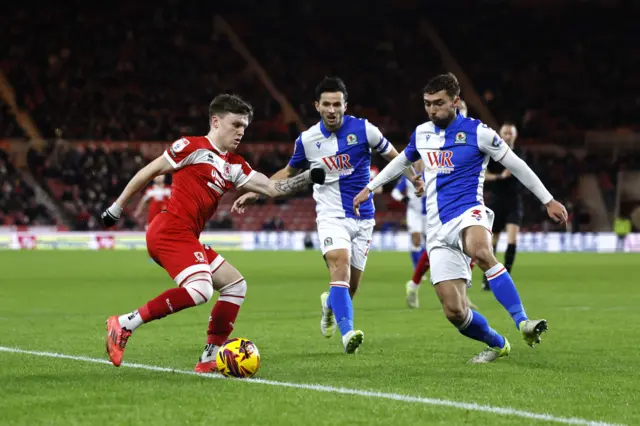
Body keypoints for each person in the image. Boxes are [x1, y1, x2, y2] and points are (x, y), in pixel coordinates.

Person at [101, 94, 326, 371]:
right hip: (169, 230)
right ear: (216, 121)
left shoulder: (234, 165)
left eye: (244, 126)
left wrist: (308, 176)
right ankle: (124, 323)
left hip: (187, 237)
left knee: (235, 285)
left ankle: (210, 356)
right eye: (236, 124)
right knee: (201, 289)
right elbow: (149, 170)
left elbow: (270, 188)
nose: (241, 131)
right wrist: (117, 206)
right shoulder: (191, 147)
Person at [354, 73, 567, 363]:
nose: (432, 109)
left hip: (470, 211)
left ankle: (522, 322)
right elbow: (402, 161)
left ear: (455, 102)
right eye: (427, 103)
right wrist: (370, 188)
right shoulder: (422, 133)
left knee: (481, 251)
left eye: (438, 103)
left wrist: (548, 199)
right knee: (454, 311)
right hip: (438, 229)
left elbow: (516, 164)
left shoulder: (479, 133)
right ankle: (498, 343)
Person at [232, 77, 423, 354]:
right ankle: (348, 334)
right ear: (317, 106)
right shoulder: (307, 140)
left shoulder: (365, 130)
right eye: (326, 104)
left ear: (345, 105)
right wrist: (257, 191)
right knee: (340, 265)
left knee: (349, 288)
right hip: (330, 214)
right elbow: (288, 173)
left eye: (337, 104)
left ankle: (328, 306)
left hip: (363, 217)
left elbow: (395, 157)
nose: (332, 110)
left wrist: (415, 178)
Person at [481, 123, 523, 291]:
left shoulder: (520, 153)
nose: (507, 135)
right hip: (496, 201)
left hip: (514, 201)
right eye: (505, 132)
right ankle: (488, 277)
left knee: (512, 240)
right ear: (500, 134)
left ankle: (506, 278)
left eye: (510, 133)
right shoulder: (492, 154)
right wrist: (500, 176)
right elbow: (483, 175)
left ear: (515, 135)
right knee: (493, 241)